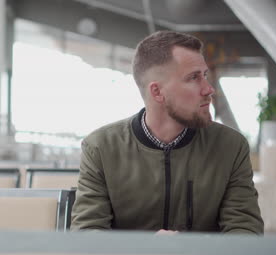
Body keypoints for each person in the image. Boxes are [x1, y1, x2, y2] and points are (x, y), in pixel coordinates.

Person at [70, 31, 263, 234]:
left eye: (205, 75)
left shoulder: (230, 147)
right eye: (193, 78)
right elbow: (87, 234)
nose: (208, 89)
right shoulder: (101, 148)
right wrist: (148, 251)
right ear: (157, 92)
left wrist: (185, 250)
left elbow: (245, 233)